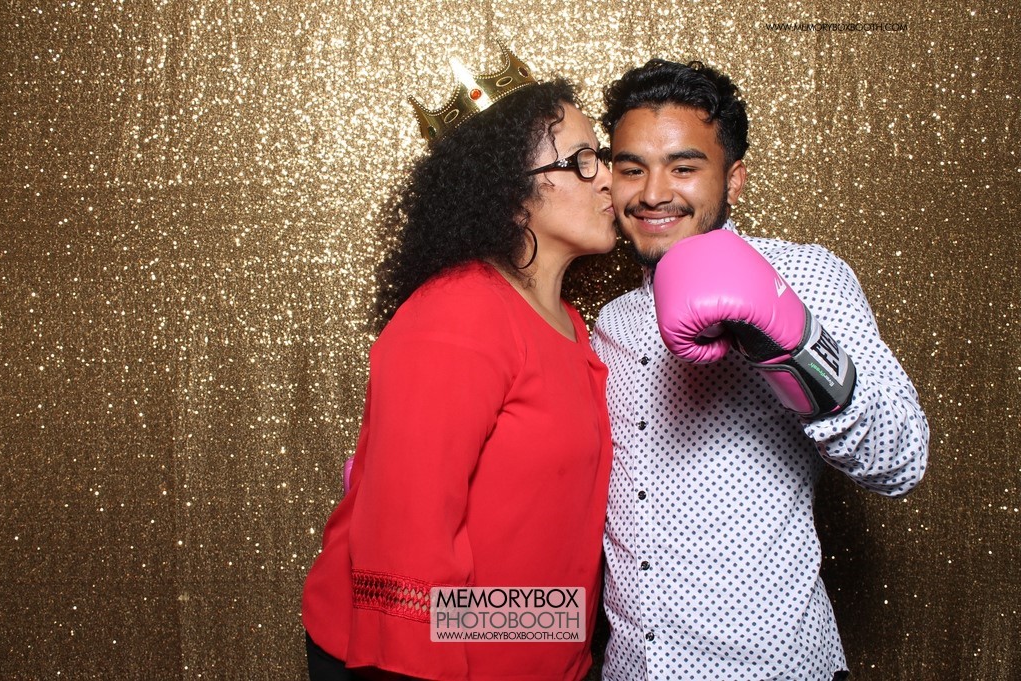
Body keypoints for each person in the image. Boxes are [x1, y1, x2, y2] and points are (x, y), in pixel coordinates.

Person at [591, 58, 929, 680]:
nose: (653, 193)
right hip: (634, 666)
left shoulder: (804, 276)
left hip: (772, 665)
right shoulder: (611, 322)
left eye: (684, 167)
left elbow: (902, 460)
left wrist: (791, 346)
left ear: (734, 179)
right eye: (631, 168)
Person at [302, 43, 617, 681]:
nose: (608, 177)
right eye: (581, 161)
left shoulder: (572, 324)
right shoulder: (459, 313)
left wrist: (563, 645)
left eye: (602, 155)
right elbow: (405, 547)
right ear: (510, 194)